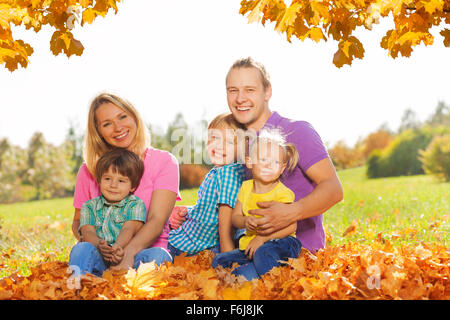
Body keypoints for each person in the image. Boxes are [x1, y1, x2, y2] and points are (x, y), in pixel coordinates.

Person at [172, 57, 343, 254]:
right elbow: (229, 199)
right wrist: (189, 212)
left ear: (267, 92)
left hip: (295, 254)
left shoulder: (296, 130)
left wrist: (291, 212)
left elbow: (333, 189)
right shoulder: (237, 144)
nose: (240, 98)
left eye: (250, 90)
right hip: (246, 251)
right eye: (233, 90)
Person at [71, 93, 180, 271]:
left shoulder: (164, 161)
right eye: (107, 124)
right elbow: (78, 221)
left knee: (160, 256)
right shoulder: (88, 170)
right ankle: (81, 289)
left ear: (134, 117)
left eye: (123, 117)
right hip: (101, 254)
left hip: (144, 253)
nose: (118, 127)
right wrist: (97, 244)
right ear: (98, 132)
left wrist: (127, 255)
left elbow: (156, 220)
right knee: (81, 250)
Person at [212, 128, 302, 280]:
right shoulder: (246, 187)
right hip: (250, 246)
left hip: (282, 242)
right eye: (263, 159)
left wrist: (261, 239)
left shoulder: (282, 193)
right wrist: (245, 221)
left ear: (282, 168)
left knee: (263, 252)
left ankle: (273, 284)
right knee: (219, 260)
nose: (269, 165)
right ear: (250, 162)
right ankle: (254, 271)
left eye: (275, 162)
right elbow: (235, 218)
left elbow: (291, 227)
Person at [167, 113, 246, 257]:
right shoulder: (219, 171)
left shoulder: (227, 173)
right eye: (214, 138)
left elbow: (225, 222)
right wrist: (189, 211)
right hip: (192, 239)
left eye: (228, 142)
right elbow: (210, 210)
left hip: (192, 245)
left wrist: (227, 257)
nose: (218, 146)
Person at [69, 149, 148, 276]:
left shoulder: (135, 204)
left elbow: (129, 229)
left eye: (121, 181)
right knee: (80, 248)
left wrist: (117, 247)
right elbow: (87, 231)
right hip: (98, 258)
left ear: (132, 186)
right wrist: (100, 247)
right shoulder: (89, 206)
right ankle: (79, 285)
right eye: (107, 178)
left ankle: (139, 286)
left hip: (127, 257)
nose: (113, 185)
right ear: (99, 181)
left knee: (159, 253)